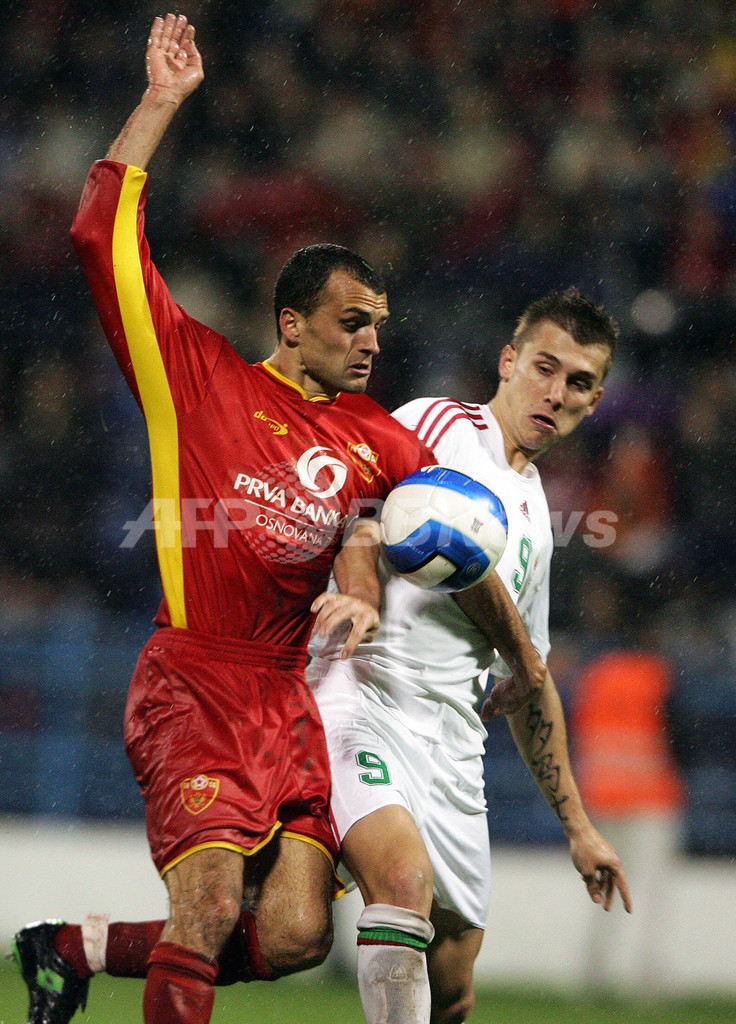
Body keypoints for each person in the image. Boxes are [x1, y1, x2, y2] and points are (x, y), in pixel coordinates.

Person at [12, 14, 544, 1024]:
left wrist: (479, 637)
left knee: (296, 935)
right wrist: (162, 102)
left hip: (291, 700)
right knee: (208, 904)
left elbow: (430, 525)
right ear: (291, 322)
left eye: (382, 322)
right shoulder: (194, 378)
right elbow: (97, 237)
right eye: (354, 320)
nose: (373, 339)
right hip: (198, 680)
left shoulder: (375, 437)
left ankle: (71, 947)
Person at [305, 287, 633, 1024]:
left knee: (452, 992)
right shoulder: (437, 424)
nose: (556, 392)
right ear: (508, 361)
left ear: (596, 399)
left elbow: (531, 679)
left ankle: (98, 948)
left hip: (454, 750)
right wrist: (359, 589)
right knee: (402, 883)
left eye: (578, 382)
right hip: (366, 699)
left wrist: (579, 829)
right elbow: (355, 507)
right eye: (544, 367)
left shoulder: (538, 524)